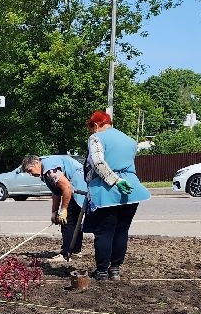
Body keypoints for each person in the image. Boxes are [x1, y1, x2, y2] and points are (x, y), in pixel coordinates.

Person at [83, 110, 150, 281]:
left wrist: (115, 180)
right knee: (121, 230)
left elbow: (98, 163)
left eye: (92, 127)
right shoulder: (129, 140)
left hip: (107, 190)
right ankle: (115, 270)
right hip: (132, 190)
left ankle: (102, 272)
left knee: (104, 232)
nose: (92, 131)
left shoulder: (96, 138)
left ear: (97, 124)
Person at [20, 153, 87, 263]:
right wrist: (54, 212)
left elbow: (67, 187)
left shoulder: (50, 169)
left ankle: (66, 253)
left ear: (36, 163)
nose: (31, 174)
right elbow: (56, 192)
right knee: (75, 221)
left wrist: (63, 210)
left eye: (30, 171)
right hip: (75, 186)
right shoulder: (45, 171)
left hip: (77, 186)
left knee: (67, 221)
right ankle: (75, 250)